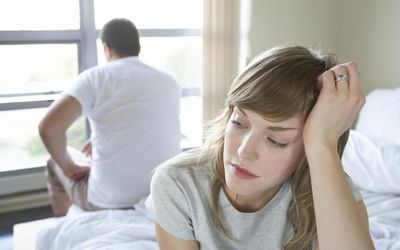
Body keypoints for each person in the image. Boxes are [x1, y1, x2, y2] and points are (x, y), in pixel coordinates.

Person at [145, 45, 374, 249]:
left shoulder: (329, 190)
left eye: (276, 141)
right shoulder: (178, 184)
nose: (244, 150)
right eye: (238, 123)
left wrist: (323, 145)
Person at [39, 18, 181, 216]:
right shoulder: (169, 81)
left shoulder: (95, 77)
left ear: (107, 48)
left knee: (53, 163)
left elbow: (49, 128)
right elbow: (142, 122)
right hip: (162, 194)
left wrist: (69, 167)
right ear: (137, 46)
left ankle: (65, 222)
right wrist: (98, 139)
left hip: (108, 201)